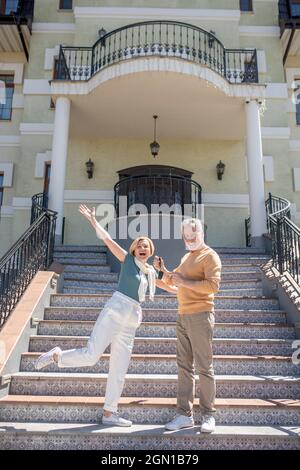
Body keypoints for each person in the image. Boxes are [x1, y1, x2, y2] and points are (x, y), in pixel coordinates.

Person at [35, 204, 175, 427]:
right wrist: (93, 220)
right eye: (139, 245)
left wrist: (180, 282)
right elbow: (108, 239)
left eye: (146, 246)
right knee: (92, 355)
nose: (142, 247)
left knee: (119, 369)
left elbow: (169, 285)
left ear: (151, 252)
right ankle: (57, 356)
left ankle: (110, 413)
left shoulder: (150, 272)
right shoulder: (128, 260)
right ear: (134, 249)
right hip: (116, 309)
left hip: (132, 319)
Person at [154, 218, 222, 433]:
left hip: (201, 315)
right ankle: (184, 415)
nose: (189, 240)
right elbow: (173, 281)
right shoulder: (187, 256)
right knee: (184, 368)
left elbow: (213, 285)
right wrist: (163, 270)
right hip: (182, 315)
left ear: (201, 233)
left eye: (193, 236)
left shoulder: (209, 256)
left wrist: (184, 282)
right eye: (186, 237)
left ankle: (208, 415)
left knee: (204, 367)